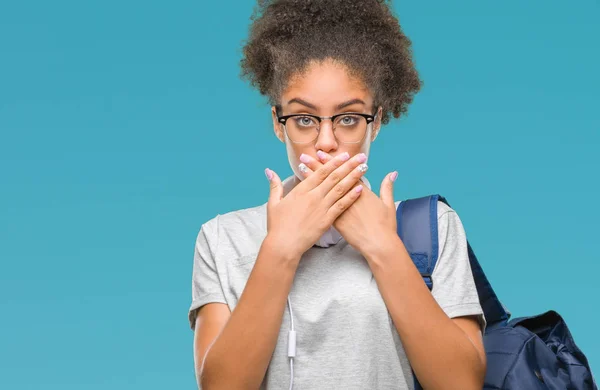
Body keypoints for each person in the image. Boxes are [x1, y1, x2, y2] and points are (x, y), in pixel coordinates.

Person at [188, 1, 487, 389]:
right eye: (304, 120)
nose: (326, 142)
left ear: (376, 122)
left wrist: (383, 246)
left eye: (348, 118)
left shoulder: (432, 228)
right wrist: (280, 248)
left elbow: (461, 383)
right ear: (278, 125)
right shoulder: (221, 238)